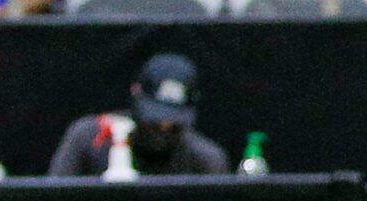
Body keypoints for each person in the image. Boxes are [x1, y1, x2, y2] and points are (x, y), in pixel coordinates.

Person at [48, 53, 230, 178]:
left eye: (174, 123)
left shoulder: (205, 160)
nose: (164, 126)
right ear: (137, 96)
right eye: (155, 119)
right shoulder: (88, 138)